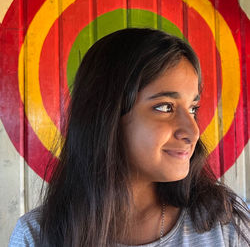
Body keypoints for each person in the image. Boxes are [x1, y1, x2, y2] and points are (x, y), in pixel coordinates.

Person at [9, 28, 250, 246]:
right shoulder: (38, 236)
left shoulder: (224, 223)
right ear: (106, 116)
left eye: (193, 108)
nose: (192, 131)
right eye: (165, 107)